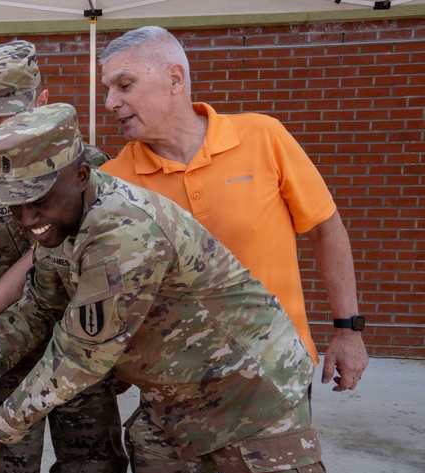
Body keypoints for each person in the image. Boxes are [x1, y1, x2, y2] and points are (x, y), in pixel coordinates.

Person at [0, 103, 328, 473]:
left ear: (81, 176)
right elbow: (36, 309)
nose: (28, 220)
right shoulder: (62, 226)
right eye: (15, 205)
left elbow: (79, 358)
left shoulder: (124, 233)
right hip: (170, 407)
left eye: (39, 200)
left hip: (250, 398)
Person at [98, 26, 368, 393]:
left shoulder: (263, 137)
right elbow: (49, 258)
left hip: (275, 369)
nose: (110, 102)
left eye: (124, 85)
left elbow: (325, 229)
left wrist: (347, 328)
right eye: (108, 90)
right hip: (175, 382)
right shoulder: (114, 180)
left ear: (175, 79)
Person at [0, 40, 126, 473]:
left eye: (13, 113)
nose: (2, 129)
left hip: (85, 359)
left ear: (42, 101)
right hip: (6, 367)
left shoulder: (92, 171)